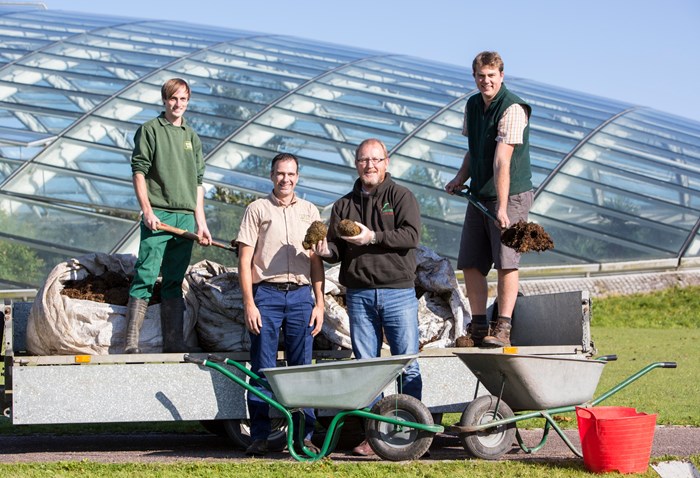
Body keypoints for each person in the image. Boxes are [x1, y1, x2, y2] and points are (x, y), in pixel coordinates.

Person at [312, 138, 422, 457]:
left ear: (386, 162)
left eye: (375, 159)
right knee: (366, 366)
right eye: (363, 160)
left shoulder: (401, 196)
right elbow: (336, 248)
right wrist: (325, 250)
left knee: (407, 364)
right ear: (356, 163)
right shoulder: (344, 205)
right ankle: (374, 436)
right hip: (359, 293)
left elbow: (411, 235)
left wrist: (372, 236)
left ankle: (411, 433)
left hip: (398, 291)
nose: (369, 165)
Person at [236, 152, 325, 457]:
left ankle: (305, 436)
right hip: (267, 296)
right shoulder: (256, 209)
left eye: (291, 174)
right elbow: (245, 260)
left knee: (303, 369)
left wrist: (319, 303)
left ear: (297, 177)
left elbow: (316, 263)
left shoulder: (310, 211)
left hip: (301, 297)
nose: (285, 179)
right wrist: (249, 303)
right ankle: (260, 436)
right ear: (271, 176)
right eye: (280, 173)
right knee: (263, 367)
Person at [445, 51, 533, 348]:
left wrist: (504, 208)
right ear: (475, 77)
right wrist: (461, 178)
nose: (486, 81)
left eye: (491, 75)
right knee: (470, 262)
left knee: (507, 261)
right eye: (481, 76)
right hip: (480, 195)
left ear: (501, 76)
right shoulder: (472, 105)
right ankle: (479, 325)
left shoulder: (513, 109)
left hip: (510, 195)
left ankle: (504, 326)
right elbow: (474, 149)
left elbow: (501, 162)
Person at [125, 77, 211, 354]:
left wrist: (202, 222)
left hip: (185, 216)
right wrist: (147, 210)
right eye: (173, 98)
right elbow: (139, 171)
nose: (178, 104)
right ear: (164, 100)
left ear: (188, 101)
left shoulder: (191, 137)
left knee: (175, 279)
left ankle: (174, 343)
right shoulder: (150, 130)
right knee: (146, 274)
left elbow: (198, 182)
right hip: (159, 214)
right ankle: (131, 343)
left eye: (183, 99)